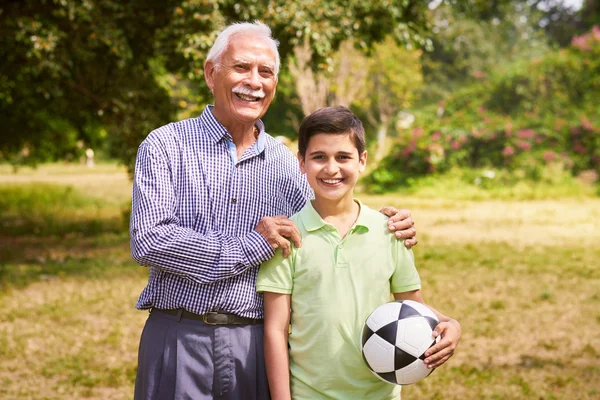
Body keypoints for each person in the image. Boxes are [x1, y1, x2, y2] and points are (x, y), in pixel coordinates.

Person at [130, 22, 417, 400]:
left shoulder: (285, 162)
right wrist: (251, 245)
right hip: (179, 336)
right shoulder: (166, 145)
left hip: (256, 344)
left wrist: (386, 224)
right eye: (241, 67)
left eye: (266, 72)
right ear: (210, 72)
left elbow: (326, 218)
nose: (254, 81)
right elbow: (149, 240)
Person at [257, 106, 461, 400]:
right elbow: (275, 330)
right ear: (301, 162)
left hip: (380, 394)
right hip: (309, 394)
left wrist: (452, 326)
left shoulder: (388, 232)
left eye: (343, 157)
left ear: (362, 160)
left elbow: (414, 308)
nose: (331, 168)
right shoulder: (287, 237)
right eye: (318, 157)